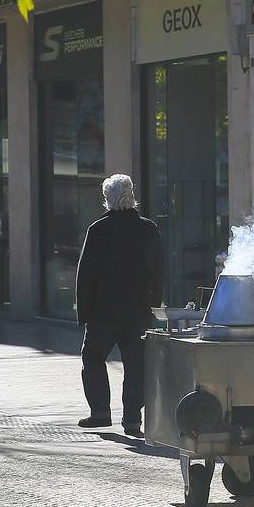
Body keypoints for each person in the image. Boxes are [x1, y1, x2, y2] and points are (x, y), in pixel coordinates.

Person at [75, 174, 163, 437]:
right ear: (132, 195)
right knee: (136, 366)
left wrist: (85, 312)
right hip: (138, 311)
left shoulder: (98, 230)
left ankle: (100, 413)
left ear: (107, 199)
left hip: (104, 312)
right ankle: (132, 420)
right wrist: (153, 306)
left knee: (92, 358)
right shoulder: (148, 229)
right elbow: (158, 272)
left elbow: (86, 274)